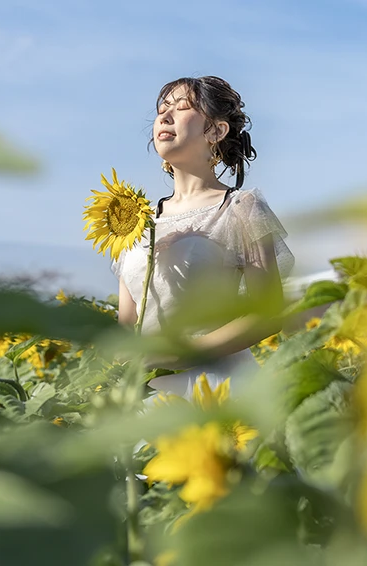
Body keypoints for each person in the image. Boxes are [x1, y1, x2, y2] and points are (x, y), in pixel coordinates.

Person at [110, 76, 294, 398]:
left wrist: (185, 353)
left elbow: (267, 313)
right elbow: (128, 320)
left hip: (216, 383)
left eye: (181, 108)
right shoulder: (137, 220)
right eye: (162, 109)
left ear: (216, 131)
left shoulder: (240, 207)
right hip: (147, 391)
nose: (165, 117)